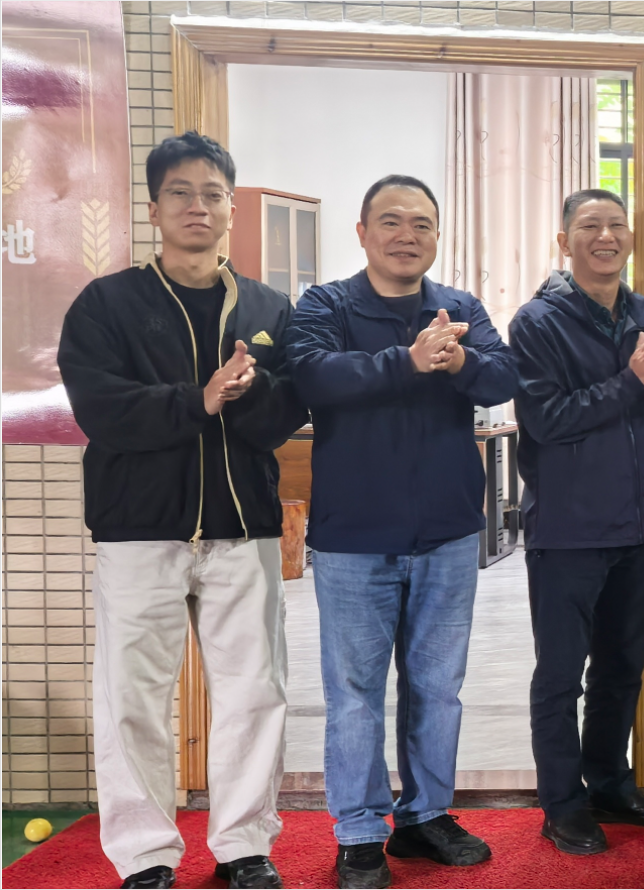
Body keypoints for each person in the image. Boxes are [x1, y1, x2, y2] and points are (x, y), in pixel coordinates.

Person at [57, 132, 306, 889]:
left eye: (212, 193)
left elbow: (285, 415)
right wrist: (198, 399)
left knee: (256, 691)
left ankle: (244, 847)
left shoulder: (268, 307)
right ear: (154, 207)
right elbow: (101, 409)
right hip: (139, 530)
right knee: (131, 698)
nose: (198, 206)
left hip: (244, 529)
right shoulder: (106, 303)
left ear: (230, 207)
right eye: (180, 193)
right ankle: (144, 855)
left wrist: (251, 393)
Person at [289, 175, 517, 889]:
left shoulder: (459, 308)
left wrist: (461, 361)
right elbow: (314, 377)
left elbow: (504, 377)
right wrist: (407, 361)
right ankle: (359, 831)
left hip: (448, 533)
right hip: (354, 539)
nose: (406, 235)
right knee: (355, 691)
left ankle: (425, 817)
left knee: (437, 687)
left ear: (437, 236)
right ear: (362, 232)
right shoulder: (326, 304)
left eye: (422, 223)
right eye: (390, 221)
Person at [510, 189, 644, 855]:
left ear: (629, 237)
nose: (606, 236)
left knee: (622, 668)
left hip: (636, 526)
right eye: (590, 226)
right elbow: (547, 420)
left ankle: (609, 784)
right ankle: (562, 804)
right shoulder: (537, 322)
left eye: (616, 225)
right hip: (568, 530)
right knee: (560, 676)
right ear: (564, 241)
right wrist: (634, 379)